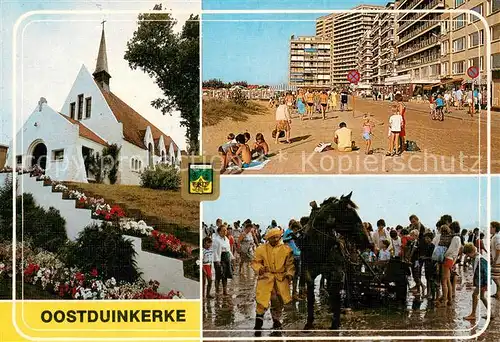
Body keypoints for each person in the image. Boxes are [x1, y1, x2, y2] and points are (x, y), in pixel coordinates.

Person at [252, 228, 295, 334]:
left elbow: (290, 264)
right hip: (266, 278)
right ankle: (258, 322)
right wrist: (260, 268)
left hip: (280, 279)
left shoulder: (286, 249)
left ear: (280, 237)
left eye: (277, 237)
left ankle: (276, 321)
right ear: (268, 239)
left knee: (278, 300)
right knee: (262, 299)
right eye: (272, 238)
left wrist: (289, 274)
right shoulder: (261, 249)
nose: (275, 239)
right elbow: (255, 262)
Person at [463, 243, 488, 321]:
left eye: (467, 254)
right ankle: (491, 313)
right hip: (481, 281)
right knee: (482, 297)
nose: (467, 256)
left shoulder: (480, 259)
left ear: (470, 252)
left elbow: (485, 272)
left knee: (474, 295)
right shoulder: (475, 257)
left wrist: (485, 284)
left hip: (482, 281)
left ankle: (473, 314)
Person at [283, 220, 305, 300]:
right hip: (291, 256)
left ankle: (293, 294)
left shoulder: (293, 233)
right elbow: (284, 241)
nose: (296, 231)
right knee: (292, 275)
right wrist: (291, 236)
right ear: (294, 228)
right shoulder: (288, 232)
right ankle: (291, 294)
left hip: (296, 254)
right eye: (296, 229)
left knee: (296, 275)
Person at [212, 224, 233, 296]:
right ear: (219, 232)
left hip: (226, 258)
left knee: (225, 275)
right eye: (223, 230)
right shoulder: (216, 240)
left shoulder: (226, 239)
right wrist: (217, 261)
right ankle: (217, 290)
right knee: (219, 275)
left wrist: (231, 257)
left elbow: (228, 250)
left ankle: (225, 290)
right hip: (219, 258)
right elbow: (215, 251)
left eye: (226, 230)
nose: (225, 232)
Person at [421, 232, 438, 301]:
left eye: (427, 238)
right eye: (425, 238)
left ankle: (431, 294)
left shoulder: (432, 246)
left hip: (431, 265)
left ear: (431, 239)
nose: (426, 239)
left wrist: (424, 258)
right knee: (427, 279)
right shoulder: (427, 245)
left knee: (431, 280)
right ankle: (428, 293)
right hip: (427, 264)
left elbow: (432, 257)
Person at [491, 221, 500, 299]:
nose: (490, 229)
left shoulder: (496, 237)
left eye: (491, 227)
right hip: (496, 260)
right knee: (497, 277)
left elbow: (498, 249)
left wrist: (495, 260)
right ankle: (497, 293)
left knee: (494, 277)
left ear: (494, 228)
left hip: (497, 261)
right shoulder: (495, 236)